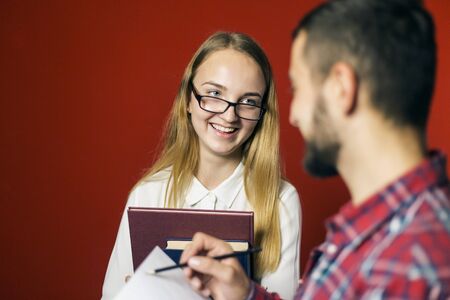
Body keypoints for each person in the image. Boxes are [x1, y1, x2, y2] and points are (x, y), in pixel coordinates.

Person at [180, 0, 450, 299]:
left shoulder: (404, 265)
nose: (293, 115)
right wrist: (245, 294)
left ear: (341, 88)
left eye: (297, 88)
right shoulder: (377, 232)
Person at [101, 32, 301, 300]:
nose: (229, 115)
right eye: (214, 93)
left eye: (249, 101)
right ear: (188, 99)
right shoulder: (147, 194)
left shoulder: (280, 201)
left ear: (262, 114)